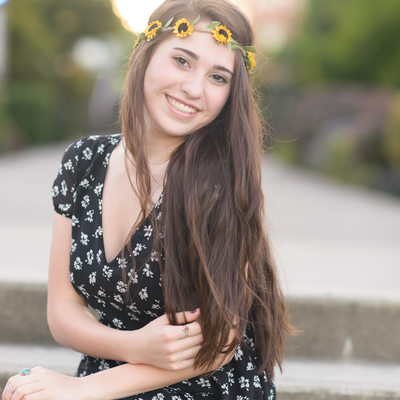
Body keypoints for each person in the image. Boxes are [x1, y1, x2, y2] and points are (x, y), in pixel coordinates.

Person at [2, 0, 293, 399]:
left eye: (218, 77)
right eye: (182, 60)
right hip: (111, 372)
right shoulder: (84, 161)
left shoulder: (220, 181)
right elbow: (62, 312)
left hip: (203, 384)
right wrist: (131, 347)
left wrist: (81, 391)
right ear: (145, 53)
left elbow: (220, 342)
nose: (194, 89)